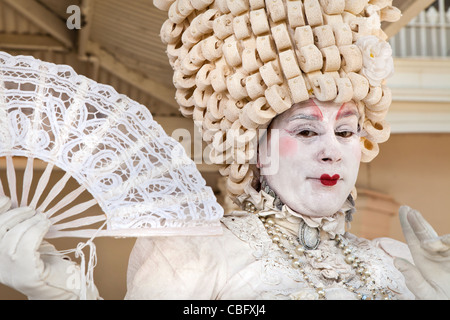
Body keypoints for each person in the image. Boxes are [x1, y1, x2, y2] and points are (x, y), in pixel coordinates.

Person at [0, 0, 449, 300]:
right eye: (307, 132)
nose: (333, 151)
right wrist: (54, 288)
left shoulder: (397, 260)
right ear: (256, 149)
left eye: (347, 133)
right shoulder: (193, 254)